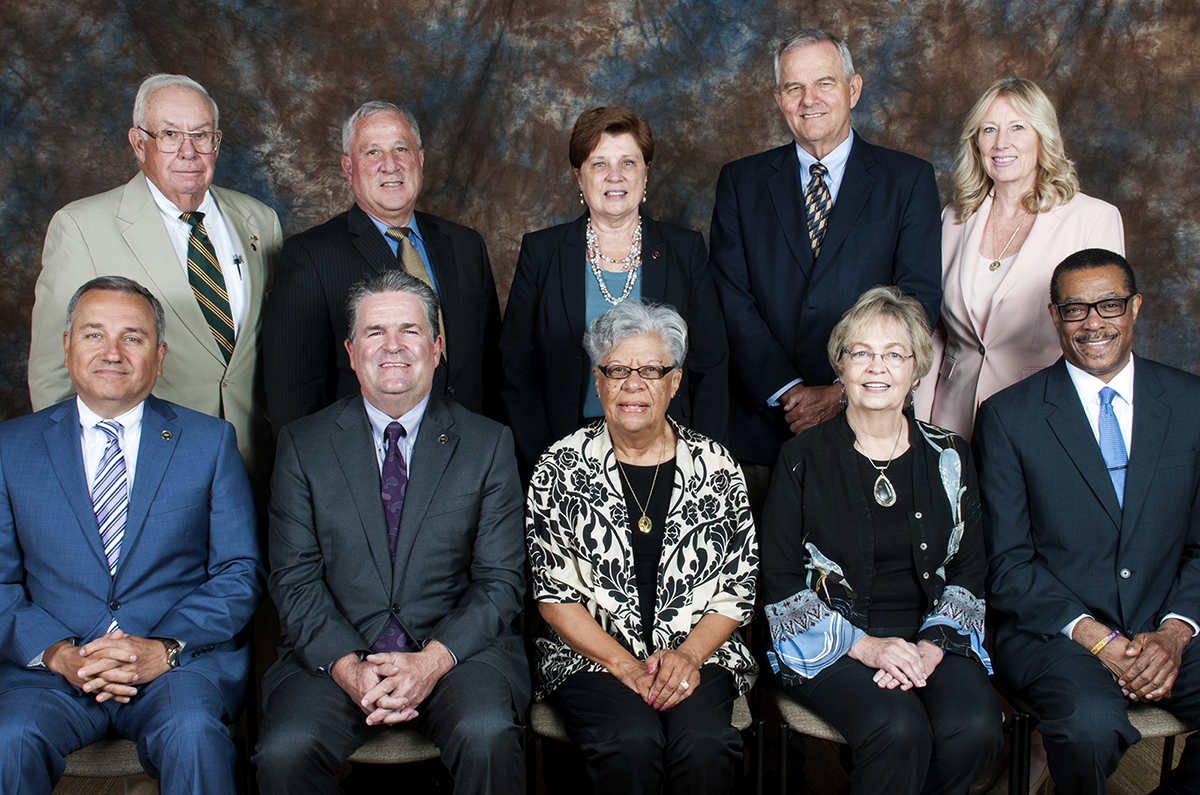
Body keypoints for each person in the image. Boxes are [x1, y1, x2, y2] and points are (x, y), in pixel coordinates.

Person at [254, 270, 527, 795]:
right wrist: (348, 666)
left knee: (487, 732)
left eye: (410, 330)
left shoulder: (488, 444)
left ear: (437, 347)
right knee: (286, 750)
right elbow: (294, 579)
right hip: (336, 654)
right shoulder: (303, 446)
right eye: (376, 332)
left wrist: (430, 662)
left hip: (455, 653)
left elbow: (500, 581)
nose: (394, 346)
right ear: (352, 352)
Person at [0, 276, 264, 794]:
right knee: (10, 738)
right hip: (51, 673)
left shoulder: (209, 442)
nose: (112, 352)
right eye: (94, 334)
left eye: (133, 337)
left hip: (174, 670)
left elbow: (239, 572)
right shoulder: (11, 448)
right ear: (67, 345)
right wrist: (58, 654)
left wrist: (162, 648)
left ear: (159, 355)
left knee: (195, 736)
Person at [977, 248, 1200, 794]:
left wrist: (1173, 633)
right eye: (1075, 309)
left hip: (1167, 623)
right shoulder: (1008, 417)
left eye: (1109, 305)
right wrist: (1099, 639)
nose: (1093, 322)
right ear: (1055, 316)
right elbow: (1008, 563)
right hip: (1056, 634)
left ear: (1136, 308)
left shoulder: (1192, 402)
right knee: (1088, 727)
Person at [761, 286, 1002, 794]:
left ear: (916, 370)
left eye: (894, 354)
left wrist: (933, 647)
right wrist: (867, 648)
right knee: (899, 730)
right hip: (833, 639)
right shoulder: (801, 457)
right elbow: (780, 578)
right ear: (840, 367)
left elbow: (969, 568)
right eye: (861, 353)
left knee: (974, 729)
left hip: (931, 631)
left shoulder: (950, 453)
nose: (877, 368)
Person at [527, 299, 757, 795]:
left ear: (674, 382)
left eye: (651, 369)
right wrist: (625, 665)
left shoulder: (717, 468)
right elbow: (554, 597)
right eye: (617, 369)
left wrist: (690, 656)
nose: (633, 383)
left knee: (705, 745)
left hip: (701, 654)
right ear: (598, 380)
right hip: (591, 656)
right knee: (630, 743)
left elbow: (737, 589)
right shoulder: (558, 468)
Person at [709, 29, 941, 483]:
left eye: (825, 84)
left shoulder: (907, 179)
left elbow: (917, 299)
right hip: (764, 425)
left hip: (869, 418)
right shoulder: (741, 181)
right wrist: (788, 390)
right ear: (779, 98)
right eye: (794, 88)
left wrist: (841, 392)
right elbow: (730, 295)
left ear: (853, 89)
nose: (808, 100)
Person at [29, 74, 283, 480]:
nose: (188, 151)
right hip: (141, 470)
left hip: (255, 461)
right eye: (169, 134)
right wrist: (79, 479)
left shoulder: (259, 221)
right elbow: (53, 373)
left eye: (201, 135)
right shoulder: (81, 226)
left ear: (216, 142)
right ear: (138, 142)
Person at [499, 105, 728, 474]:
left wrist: (696, 458)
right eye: (599, 164)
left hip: (667, 448)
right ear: (579, 175)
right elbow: (517, 367)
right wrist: (548, 460)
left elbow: (711, 363)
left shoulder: (684, 250)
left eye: (628, 163)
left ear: (646, 172)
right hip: (563, 449)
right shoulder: (541, 252)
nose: (615, 177)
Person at [262, 100, 503, 437]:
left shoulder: (465, 244)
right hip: (366, 462)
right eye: (372, 152)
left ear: (419, 159)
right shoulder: (311, 255)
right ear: (349, 168)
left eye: (400, 149)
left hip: (468, 454)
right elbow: (292, 389)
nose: (390, 166)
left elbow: (492, 365)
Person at [914, 77, 1125, 439]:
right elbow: (934, 329)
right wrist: (919, 414)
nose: (1001, 143)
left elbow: (1102, 332)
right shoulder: (953, 218)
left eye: (1017, 127)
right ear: (975, 141)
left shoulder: (1092, 218)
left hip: (1042, 417)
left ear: (1042, 137)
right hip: (950, 416)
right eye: (989, 129)